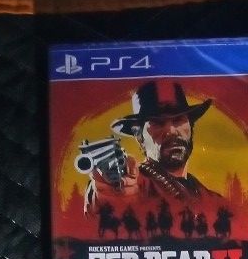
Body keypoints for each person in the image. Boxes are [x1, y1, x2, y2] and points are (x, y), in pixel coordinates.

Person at [87, 79, 222, 210]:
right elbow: (105, 200)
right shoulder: (133, 183)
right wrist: (108, 190)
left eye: (178, 120)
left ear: (191, 128)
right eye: (158, 123)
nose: (171, 131)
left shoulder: (211, 198)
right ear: (139, 137)